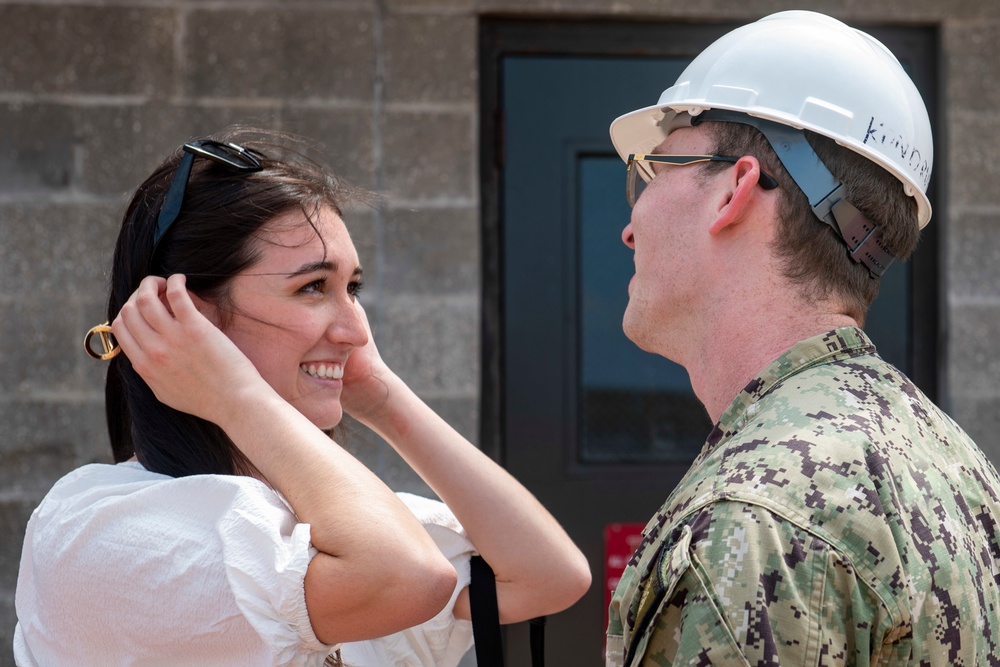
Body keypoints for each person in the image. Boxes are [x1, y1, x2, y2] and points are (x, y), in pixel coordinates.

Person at [13, 129, 591, 666]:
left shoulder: (327, 524)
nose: (356, 328)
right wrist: (234, 394)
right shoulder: (100, 528)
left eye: (353, 288)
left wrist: (382, 397)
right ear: (182, 314)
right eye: (313, 287)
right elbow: (408, 576)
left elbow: (549, 576)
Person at [604, 10, 1000, 667]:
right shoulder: (962, 471)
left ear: (734, 189)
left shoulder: (755, 518)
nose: (629, 225)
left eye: (650, 170)